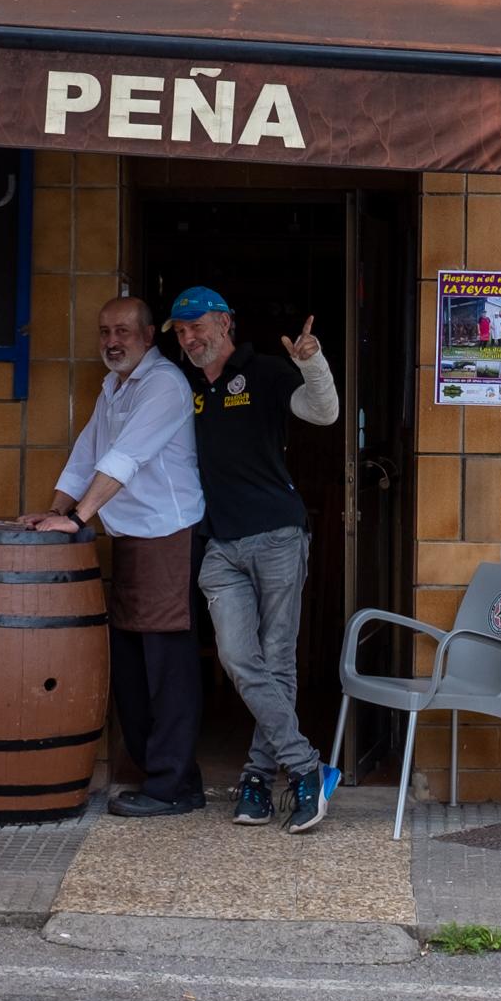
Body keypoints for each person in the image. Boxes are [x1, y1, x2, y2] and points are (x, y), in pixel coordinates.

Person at [169, 285, 339, 833]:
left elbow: (324, 413)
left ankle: (257, 781)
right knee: (240, 659)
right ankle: (307, 767)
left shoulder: (263, 371)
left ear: (225, 323)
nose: (189, 338)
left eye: (197, 326)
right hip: (220, 543)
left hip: (278, 535)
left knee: (276, 659)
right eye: (180, 330)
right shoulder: (182, 383)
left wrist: (313, 364)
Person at [29, 295, 205, 818]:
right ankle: (159, 774)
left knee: (167, 669)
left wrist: (78, 519)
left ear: (149, 336)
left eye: (124, 331)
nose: (112, 341)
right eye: (105, 331)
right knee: (131, 666)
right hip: (128, 536)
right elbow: (88, 452)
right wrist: (54, 510)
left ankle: (174, 784)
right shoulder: (112, 387)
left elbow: (125, 458)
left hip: (168, 536)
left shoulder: (165, 385)